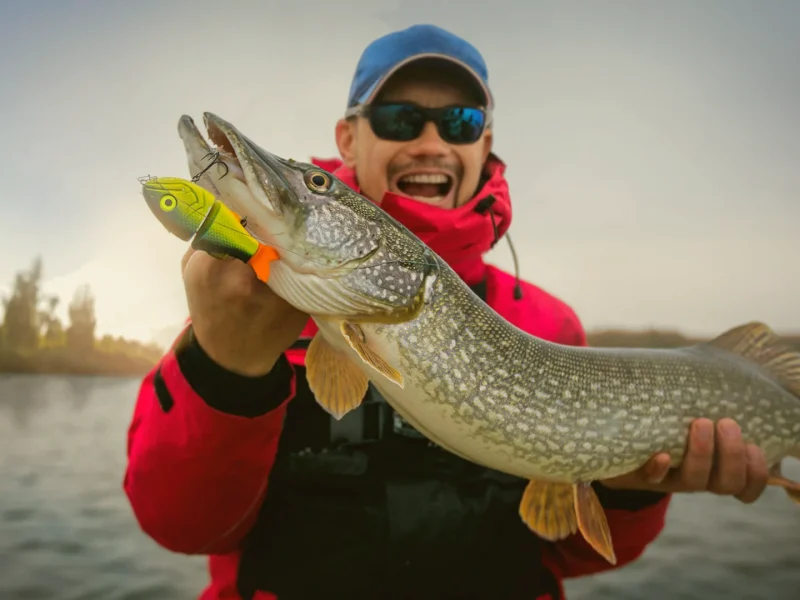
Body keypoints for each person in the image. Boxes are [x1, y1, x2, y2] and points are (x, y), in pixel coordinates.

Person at [124, 24, 770, 600]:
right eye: (400, 119)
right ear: (350, 138)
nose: (430, 141)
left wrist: (633, 487)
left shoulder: (548, 326)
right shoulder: (246, 309)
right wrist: (224, 367)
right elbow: (180, 527)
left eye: (458, 122)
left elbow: (578, 553)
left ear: (484, 143)